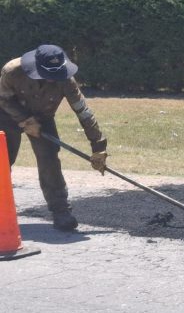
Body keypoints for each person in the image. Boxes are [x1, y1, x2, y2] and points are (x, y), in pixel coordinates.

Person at [0, 45, 108, 231]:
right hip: (7, 116)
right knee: (2, 161)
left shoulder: (66, 80)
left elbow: (83, 112)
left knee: (49, 159)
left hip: (43, 118)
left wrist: (98, 147)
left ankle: (61, 211)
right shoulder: (13, 71)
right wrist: (25, 120)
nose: (53, 79)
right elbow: (2, 98)